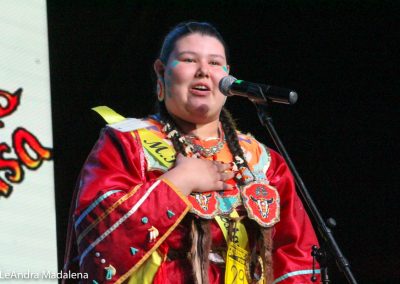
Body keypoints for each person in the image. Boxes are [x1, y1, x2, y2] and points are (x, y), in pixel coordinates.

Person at [63, 21, 321, 284]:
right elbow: (97, 249)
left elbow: (296, 258)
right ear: (161, 71)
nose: (203, 72)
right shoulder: (129, 143)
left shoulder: (263, 163)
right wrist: (178, 182)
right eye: (189, 59)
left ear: (228, 76)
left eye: (215, 63)